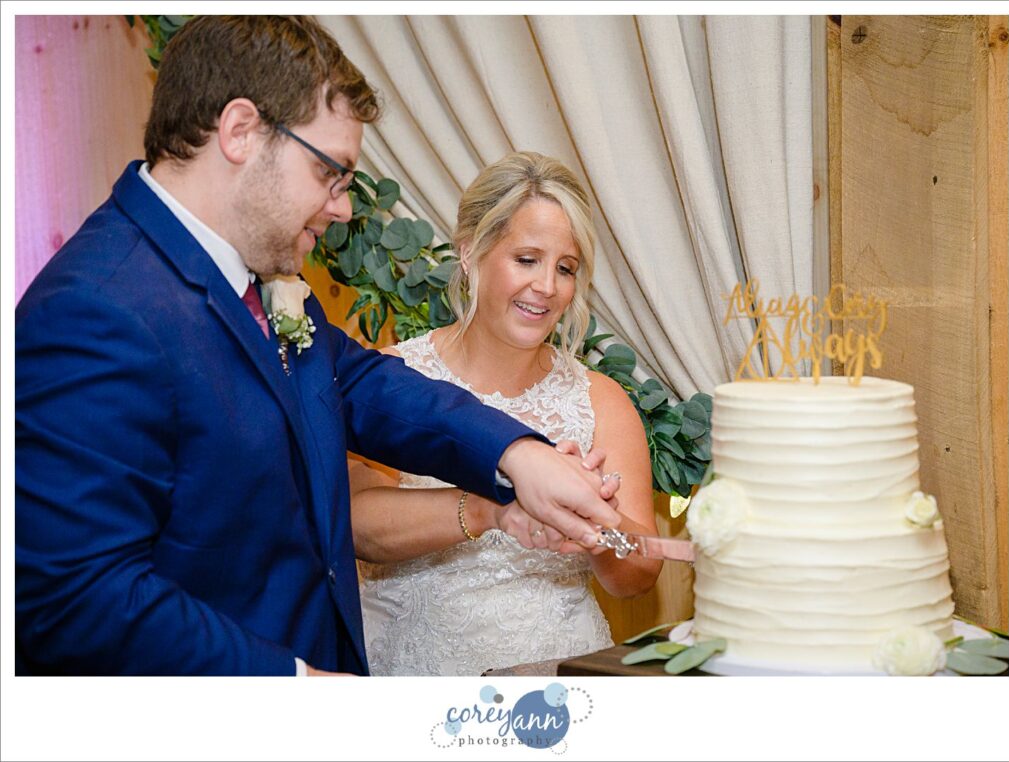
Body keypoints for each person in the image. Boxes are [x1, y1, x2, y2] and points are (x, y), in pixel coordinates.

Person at [14, 16, 622, 676]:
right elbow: (74, 598)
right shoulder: (93, 310)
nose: (343, 208)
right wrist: (297, 685)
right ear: (240, 132)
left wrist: (516, 454)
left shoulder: (262, 277)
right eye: (330, 172)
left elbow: (363, 386)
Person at [352, 152, 662, 676]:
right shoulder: (390, 380)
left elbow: (638, 577)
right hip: (417, 678)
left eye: (565, 268)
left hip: (556, 682)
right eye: (527, 259)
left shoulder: (600, 400)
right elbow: (357, 526)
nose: (547, 287)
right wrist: (489, 506)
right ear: (470, 253)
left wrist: (596, 519)